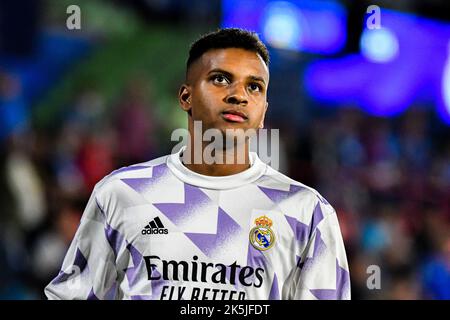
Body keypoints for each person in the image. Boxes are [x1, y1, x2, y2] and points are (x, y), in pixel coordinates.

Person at [45, 28, 350, 300]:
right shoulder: (120, 193)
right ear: (186, 97)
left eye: (254, 87)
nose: (238, 96)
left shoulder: (308, 212)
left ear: (264, 111)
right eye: (220, 79)